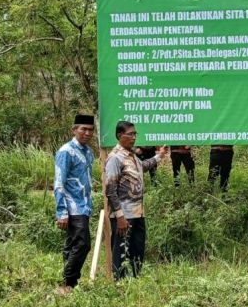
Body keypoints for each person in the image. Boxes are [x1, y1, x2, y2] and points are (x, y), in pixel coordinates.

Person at [105, 121, 168, 280]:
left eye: (135, 134)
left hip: (138, 213)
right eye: (130, 134)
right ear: (120, 135)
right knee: (121, 252)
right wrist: (119, 216)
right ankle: (119, 285)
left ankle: (134, 282)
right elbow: (110, 189)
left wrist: (159, 156)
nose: (134, 137)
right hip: (124, 216)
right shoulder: (115, 158)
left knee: (137, 250)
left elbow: (143, 167)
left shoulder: (132, 155)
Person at [53, 114, 96, 294]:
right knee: (83, 244)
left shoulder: (88, 152)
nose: (87, 133)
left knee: (72, 244)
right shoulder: (66, 151)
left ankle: (67, 284)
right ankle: (69, 282)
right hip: (72, 206)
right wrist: (62, 211)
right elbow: (59, 182)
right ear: (74, 130)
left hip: (84, 205)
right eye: (83, 129)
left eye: (90, 130)